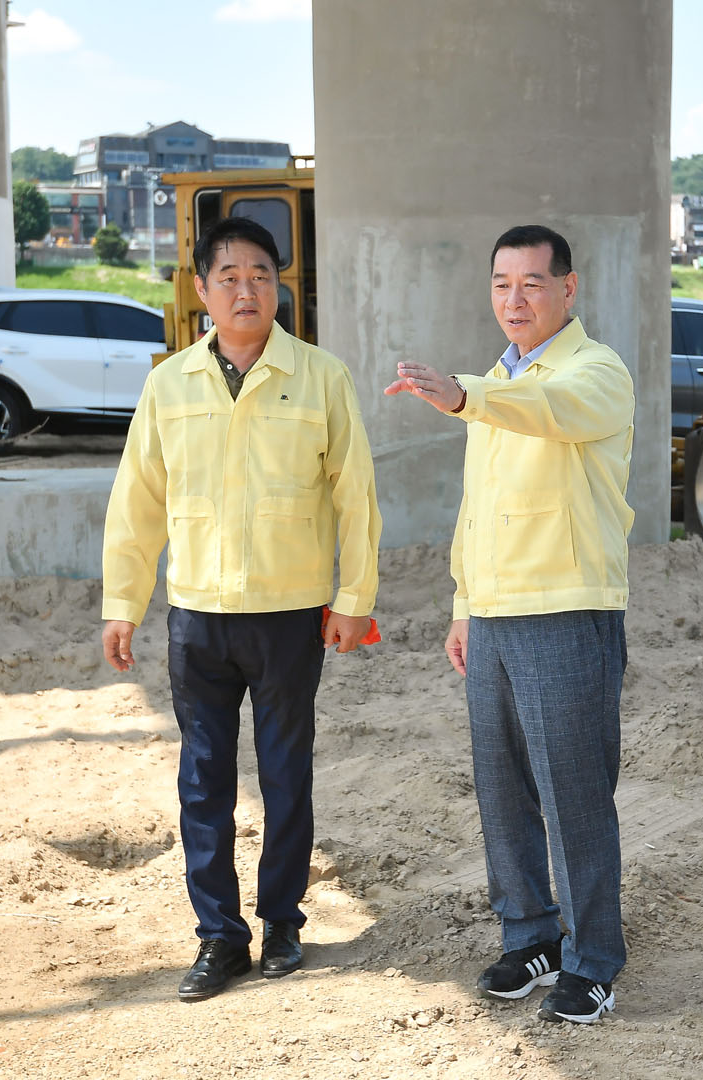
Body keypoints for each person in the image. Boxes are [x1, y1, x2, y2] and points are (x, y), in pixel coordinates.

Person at [100, 216, 382, 1002]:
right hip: (197, 615)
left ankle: (283, 924)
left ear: (278, 287)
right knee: (203, 783)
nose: (245, 289)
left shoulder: (320, 376)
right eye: (228, 276)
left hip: (290, 613)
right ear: (201, 290)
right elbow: (137, 502)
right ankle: (220, 937)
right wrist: (123, 602)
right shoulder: (169, 385)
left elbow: (356, 496)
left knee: (286, 776)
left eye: (260, 274)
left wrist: (354, 599)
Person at [384, 224, 635, 1025]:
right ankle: (530, 936)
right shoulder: (500, 377)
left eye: (532, 283)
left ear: (568, 288)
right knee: (502, 793)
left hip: (564, 606)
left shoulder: (594, 372)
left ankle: (592, 962)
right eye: (501, 283)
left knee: (574, 797)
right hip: (493, 615)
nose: (514, 299)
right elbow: (478, 509)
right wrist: (463, 606)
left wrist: (465, 396)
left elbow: (551, 413)